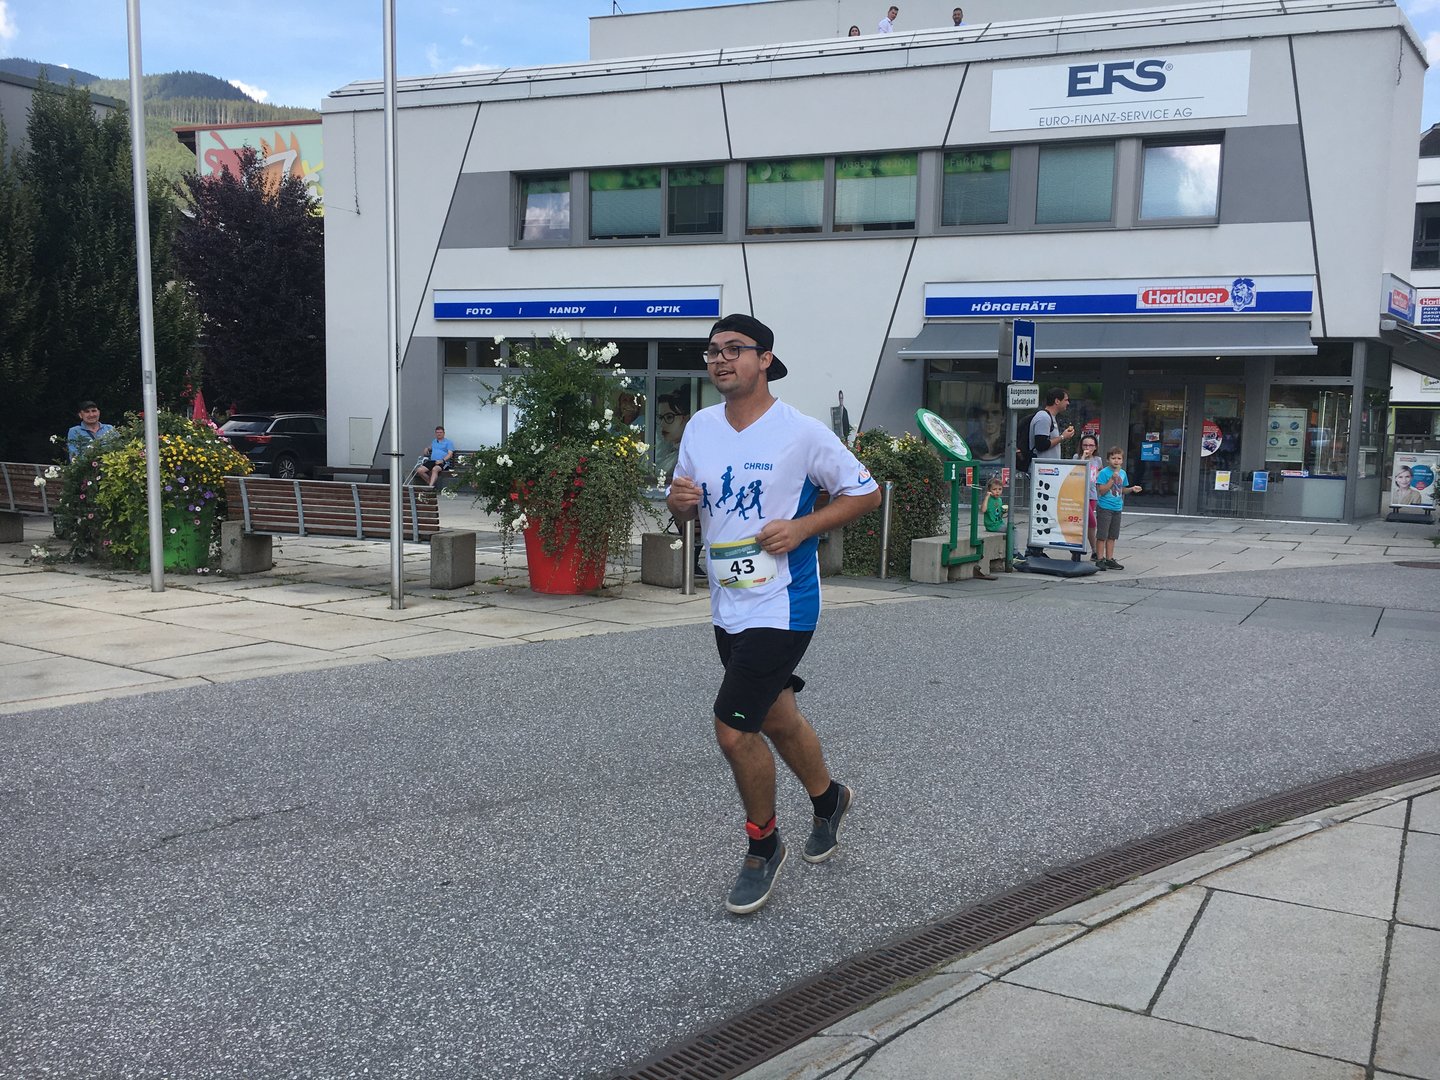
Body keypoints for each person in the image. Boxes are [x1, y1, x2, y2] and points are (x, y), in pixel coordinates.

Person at [667, 313, 881, 916]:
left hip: (784, 602)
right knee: (778, 716)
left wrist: (804, 527)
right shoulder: (700, 428)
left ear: (765, 359)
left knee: (734, 730)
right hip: (728, 600)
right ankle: (829, 798)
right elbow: (685, 505)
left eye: (734, 348)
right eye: (712, 350)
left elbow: (866, 493)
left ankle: (763, 846)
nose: (720, 358)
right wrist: (678, 502)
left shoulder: (802, 432)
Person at [1094, 446, 1142, 571]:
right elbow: (1102, 491)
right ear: (1108, 459)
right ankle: (1099, 559)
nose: (1116, 460)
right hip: (1105, 507)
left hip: (1117, 507)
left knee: (1112, 535)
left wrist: (1132, 489)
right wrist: (1112, 479)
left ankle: (1109, 559)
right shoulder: (1104, 473)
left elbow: (1122, 489)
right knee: (1102, 535)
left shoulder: (1123, 473)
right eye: (1113, 458)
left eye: (1119, 458)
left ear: (1122, 460)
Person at [1029, 387, 1075, 464]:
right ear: (1057, 401)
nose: (1068, 403)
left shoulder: (1051, 417)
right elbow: (1041, 445)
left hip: (1049, 468)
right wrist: (1063, 437)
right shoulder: (1044, 417)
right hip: (1041, 467)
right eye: (1066, 400)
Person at [654, 386, 692, 478]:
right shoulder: (668, 451)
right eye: (660, 418)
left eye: (669, 417)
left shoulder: (687, 455)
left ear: (686, 418)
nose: (662, 424)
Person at [1074, 433, 1101, 561]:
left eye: (1091, 445)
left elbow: (1100, 472)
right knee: (1089, 521)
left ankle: (1094, 551)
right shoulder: (1077, 457)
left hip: (1092, 494)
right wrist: (1083, 458)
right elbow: (1075, 472)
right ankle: (1083, 549)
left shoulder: (1097, 460)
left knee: (1089, 523)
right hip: (1079, 493)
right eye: (1085, 445)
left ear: (1095, 447)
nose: (1088, 448)